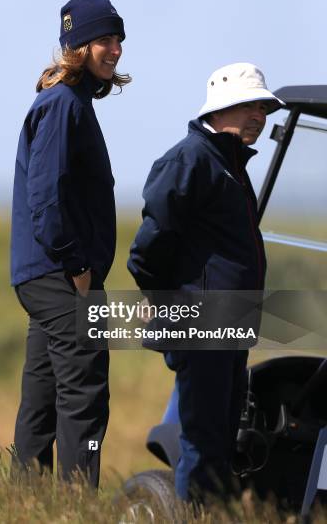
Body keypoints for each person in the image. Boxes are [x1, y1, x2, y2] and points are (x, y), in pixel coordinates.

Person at [128, 63, 284, 502]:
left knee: (219, 439)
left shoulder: (230, 165)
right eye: (249, 105)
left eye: (263, 107)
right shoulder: (191, 159)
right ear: (220, 109)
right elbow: (149, 246)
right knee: (200, 439)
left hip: (229, 324)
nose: (259, 115)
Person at [10, 0, 131, 487]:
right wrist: (78, 267)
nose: (117, 49)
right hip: (63, 276)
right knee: (85, 397)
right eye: (105, 39)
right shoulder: (62, 104)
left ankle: (27, 505)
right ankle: (78, 509)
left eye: (119, 39)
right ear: (77, 46)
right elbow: (46, 196)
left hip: (47, 276)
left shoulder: (67, 101)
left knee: (42, 397)